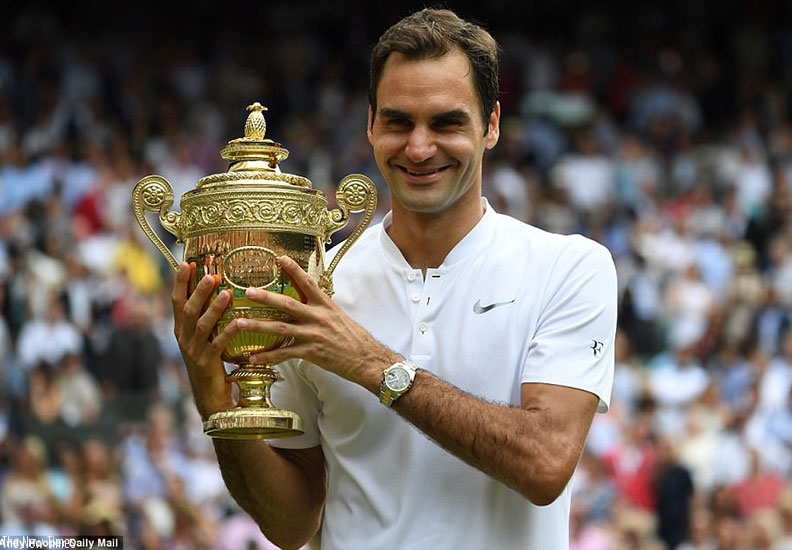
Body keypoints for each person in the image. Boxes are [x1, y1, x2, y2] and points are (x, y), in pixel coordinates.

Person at [172, 8, 617, 549]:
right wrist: (215, 399)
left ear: (492, 125)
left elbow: (546, 464)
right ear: (370, 125)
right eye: (398, 121)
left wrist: (372, 365)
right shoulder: (313, 282)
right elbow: (291, 525)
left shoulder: (568, 267)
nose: (420, 147)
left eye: (447, 122)